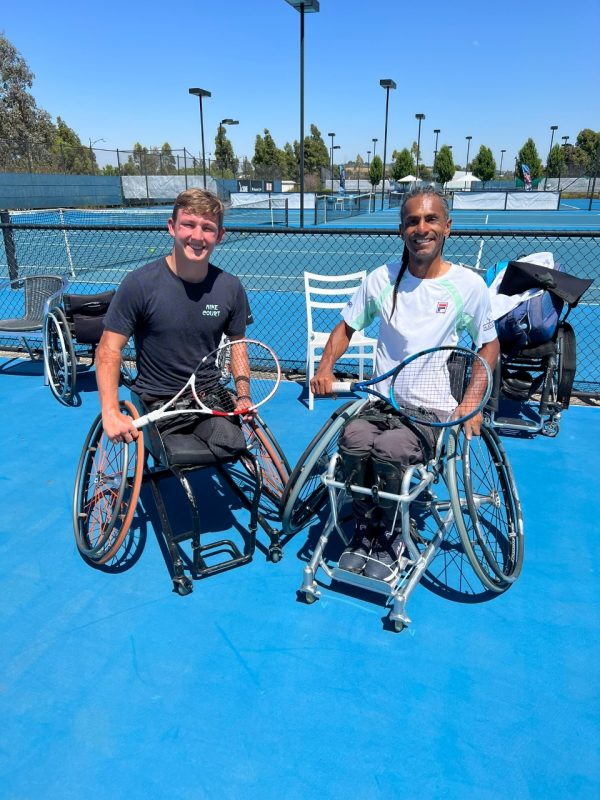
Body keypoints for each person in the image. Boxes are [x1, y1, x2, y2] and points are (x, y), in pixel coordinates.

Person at [311, 186, 499, 582]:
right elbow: (346, 327)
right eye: (413, 220)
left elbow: (489, 345)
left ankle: (393, 534)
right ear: (401, 230)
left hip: (430, 409)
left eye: (431, 219)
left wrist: (470, 402)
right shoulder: (381, 279)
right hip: (381, 404)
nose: (422, 227)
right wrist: (326, 367)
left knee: (393, 448)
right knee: (354, 441)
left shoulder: (467, 286)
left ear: (447, 227)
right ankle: (366, 530)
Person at [97, 188, 252, 461]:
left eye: (207, 228)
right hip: (157, 404)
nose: (197, 236)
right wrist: (110, 412)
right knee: (177, 456)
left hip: (207, 399)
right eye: (188, 224)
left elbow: (238, 344)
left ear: (219, 236)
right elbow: (108, 350)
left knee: (231, 444)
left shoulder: (230, 287)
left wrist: (243, 396)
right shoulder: (139, 284)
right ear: (172, 227)